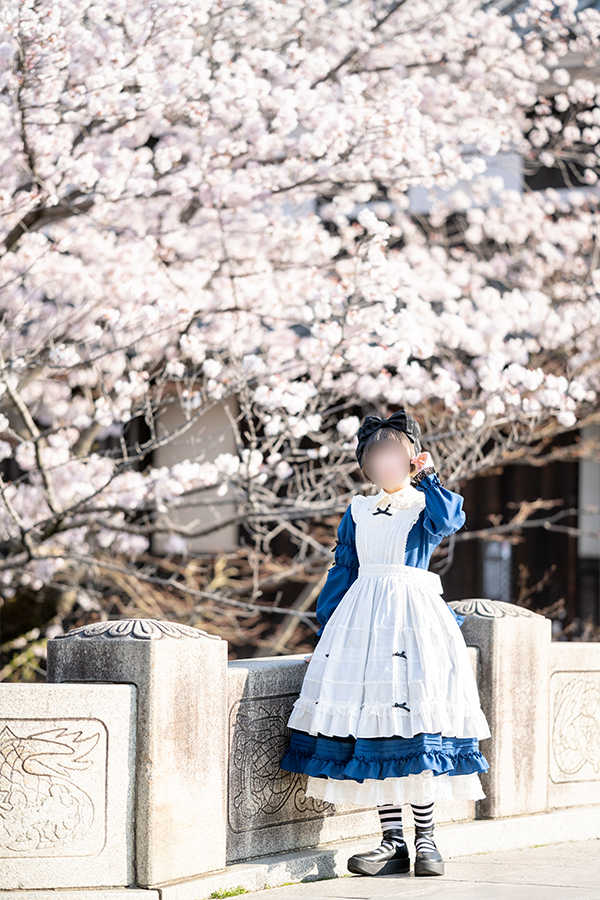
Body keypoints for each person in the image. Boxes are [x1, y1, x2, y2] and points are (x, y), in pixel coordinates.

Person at [279, 409, 491, 878]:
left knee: (415, 719)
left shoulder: (424, 504)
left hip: (413, 617)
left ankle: (428, 839)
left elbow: (449, 519)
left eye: (395, 451)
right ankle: (392, 843)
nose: (384, 460)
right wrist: (329, 628)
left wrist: (430, 477)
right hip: (363, 622)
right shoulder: (356, 510)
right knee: (373, 727)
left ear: (412, 456)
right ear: (365, 463)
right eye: (376, 453)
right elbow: (344, 569)